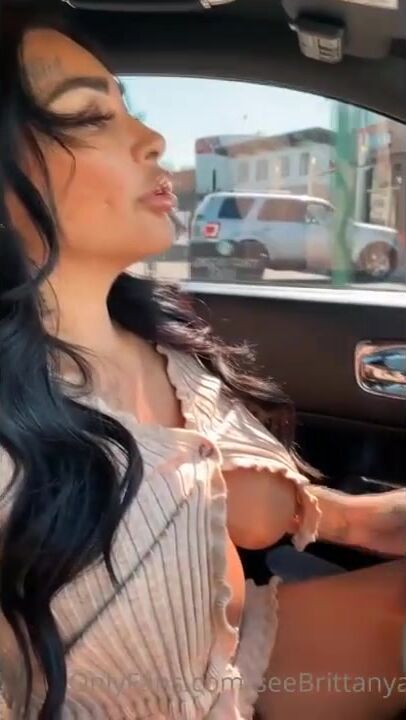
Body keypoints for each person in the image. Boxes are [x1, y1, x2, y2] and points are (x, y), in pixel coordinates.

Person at [0, 11, 404, 720]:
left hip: (234, 661)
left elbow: (257, 513)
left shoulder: (165, 344)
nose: (153, 139)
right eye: (89, 116)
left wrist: (369, 520)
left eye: (128, 107)